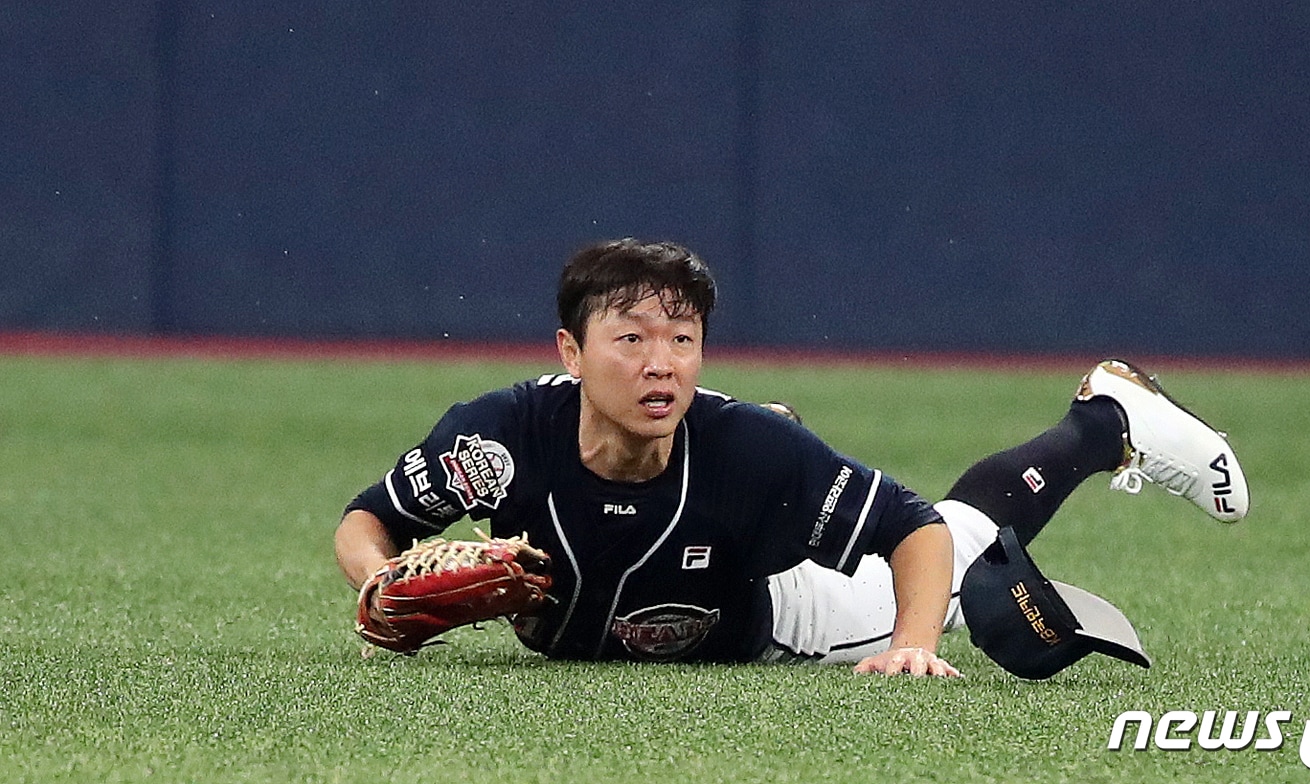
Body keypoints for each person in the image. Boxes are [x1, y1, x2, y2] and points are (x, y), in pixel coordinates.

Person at [334, 238, 1249, 677]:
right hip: (725, 510)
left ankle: (1102, 421)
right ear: (571, 352)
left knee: (960, 539)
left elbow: (915, 530)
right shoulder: (498, 438)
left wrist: (913, 644)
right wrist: (378, 580)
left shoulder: (735, 443)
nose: (662, 363)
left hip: (784, 611)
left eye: (683, 339)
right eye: (632, 338)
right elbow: (367, 520)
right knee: (774, 464)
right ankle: (791, 478)